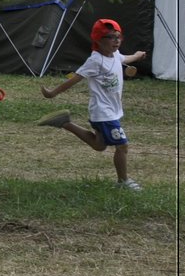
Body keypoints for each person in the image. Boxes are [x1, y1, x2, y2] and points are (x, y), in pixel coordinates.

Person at [38, 18, 147, 192]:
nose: (116, 40)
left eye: (118, 36)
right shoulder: (95, 61)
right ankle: (123, 182)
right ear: (97, 40)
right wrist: (52, 93)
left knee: (99, 145)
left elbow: (126, 57)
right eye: (110, 37)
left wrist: (138, 55)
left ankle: (64, 122)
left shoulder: (115, 55)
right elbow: (75, 79)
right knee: (122, 146)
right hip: (103, 113)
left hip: (111, 111)